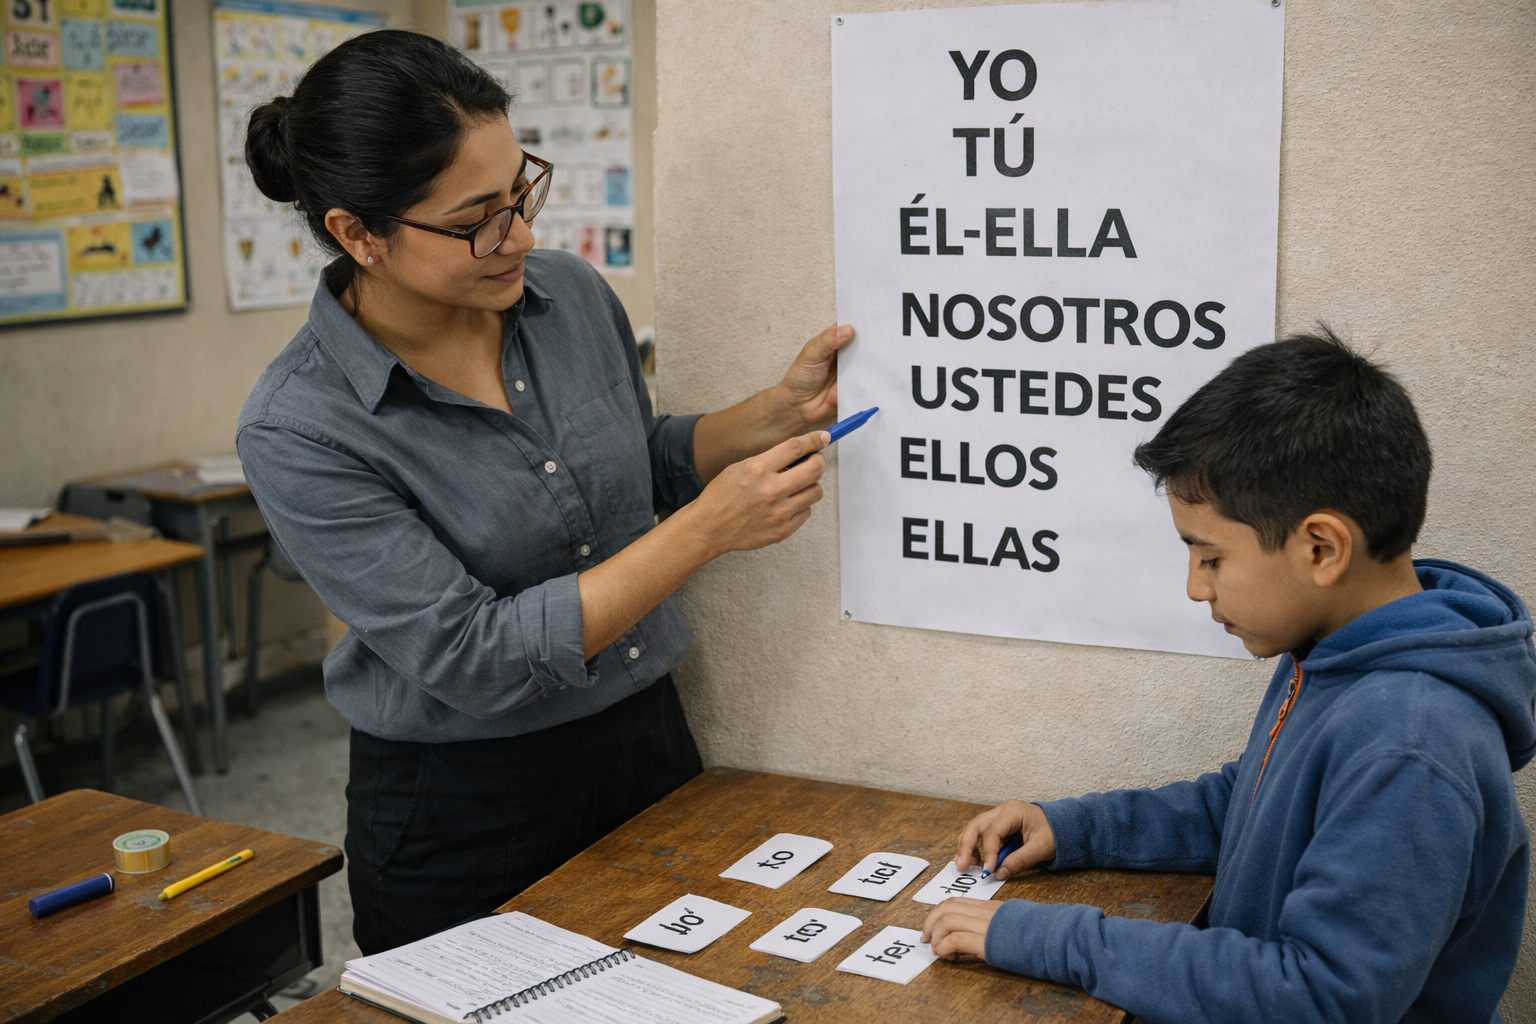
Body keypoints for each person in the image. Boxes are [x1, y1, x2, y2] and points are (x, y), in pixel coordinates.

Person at [236, 30, 852, 954]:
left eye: (521, 189)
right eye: (476, 217)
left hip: (647, 746)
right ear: (356, 234)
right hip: (465, 807)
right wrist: (706, 533)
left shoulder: (563, 293)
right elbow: (475, 656)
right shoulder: (301, 426)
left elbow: (639, 467)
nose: (519, 234)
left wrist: (771, 413)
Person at [922, 331, 1533, 1024]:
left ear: (1321, 547)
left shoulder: (1411, 743)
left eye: (1210, 558)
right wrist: (1072, 828)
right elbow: (1244, 805)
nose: (1194, 588)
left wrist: (1046, 936)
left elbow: (1318, 998)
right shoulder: (1332, 651)